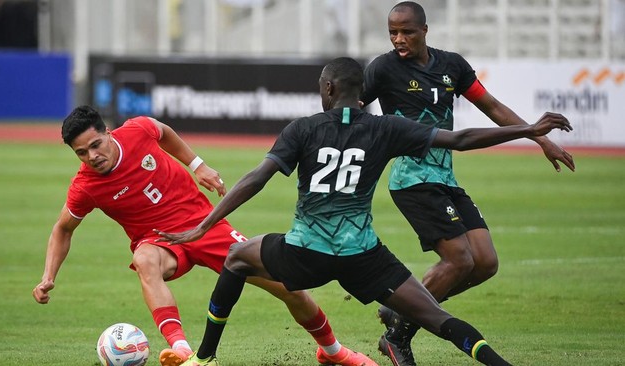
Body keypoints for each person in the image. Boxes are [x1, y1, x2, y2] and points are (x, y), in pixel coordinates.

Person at [156, 57, 572, 366]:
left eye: (322, 86)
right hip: (364, 257)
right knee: (435, 316)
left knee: (237, 257)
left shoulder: (303, 128)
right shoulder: (388, 127)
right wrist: (528, 130)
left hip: (305, 252)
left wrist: (204, 225)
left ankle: (204, 359)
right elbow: (461, 138)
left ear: (330, 89)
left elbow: (254, 180)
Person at [31, 105, 377, 366]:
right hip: (160, 241)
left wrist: (198, 166)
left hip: (206, 225)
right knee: (144, 258)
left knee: (289, 288)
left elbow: (163, 131)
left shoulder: (138, 130)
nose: (93, 156)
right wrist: (48, 277)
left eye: (96, 144)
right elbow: (63, 228)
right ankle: (180, 348)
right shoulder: (85, 186)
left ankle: (333, 352)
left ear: (108, 132)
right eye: (82, 153)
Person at [360, 2, 577, 364]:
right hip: (412, 179)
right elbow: (349, 109)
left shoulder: (452, 66)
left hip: (445, 176)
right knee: (459, 260)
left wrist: (540, 138)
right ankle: (397, 337)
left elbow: (491, 107)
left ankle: (400, 313)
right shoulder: (382, 68)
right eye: (393, 33)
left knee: (485, 263)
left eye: (407, 32)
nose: (399, 39)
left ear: (425, 30)